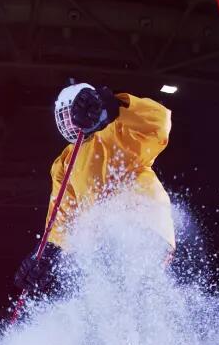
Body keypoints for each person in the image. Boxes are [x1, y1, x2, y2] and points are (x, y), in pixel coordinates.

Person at [14, 83, 175, 296]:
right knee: (101, 294)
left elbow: (158, 122)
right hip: (103, 242)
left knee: (127, 285)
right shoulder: (65, 163)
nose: (71, 123)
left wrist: (113, 106)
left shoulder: (117, 130)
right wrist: (45, 255)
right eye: (64, 117)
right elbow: (62, 217)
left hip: (142, 223)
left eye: (74, 114)